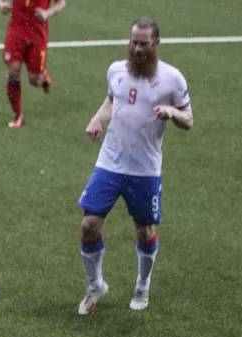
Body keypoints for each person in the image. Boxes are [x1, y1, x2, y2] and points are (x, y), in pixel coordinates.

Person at [76, 17, 192, 315]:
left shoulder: (172, 79)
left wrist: (172, 112)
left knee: (144, 232)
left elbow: (188, 120)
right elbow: (111, 99)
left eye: (144, 43)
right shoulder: (116, 70)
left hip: (144, 169)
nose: (137, 48)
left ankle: (143, 284)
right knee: (89, 225)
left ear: (157, 43)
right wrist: (97, 118)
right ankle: (95, 286)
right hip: (109, 163)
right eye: (134, 42)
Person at [0, 0, 67, 128]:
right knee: (13, 70)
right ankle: (17, 115)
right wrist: (1, 4)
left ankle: (43, 77)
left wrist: (46, 13)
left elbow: (61, 3)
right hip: (16, 31)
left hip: (37, 36)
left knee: (34, 80)